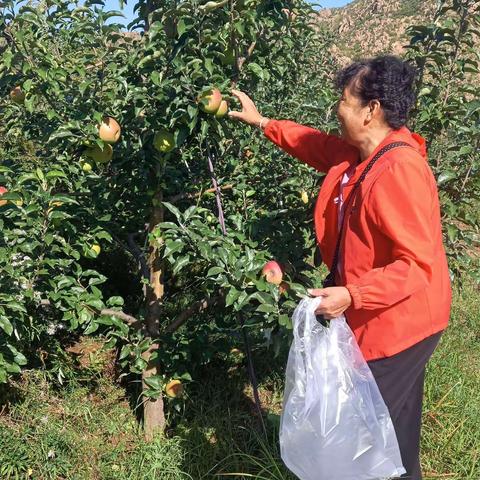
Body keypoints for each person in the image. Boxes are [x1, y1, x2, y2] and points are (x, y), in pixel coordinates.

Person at [228, 55, 452, 480]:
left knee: (364, 432)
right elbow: (315, 144)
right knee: (392, 435)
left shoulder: (399, 170)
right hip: (381, 313)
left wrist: (353, 295)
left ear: (372, 110)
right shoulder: (359, 155)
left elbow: (415, 265)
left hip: (400, 324)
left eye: (345, 100)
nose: (337, 108)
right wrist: (262, 122)